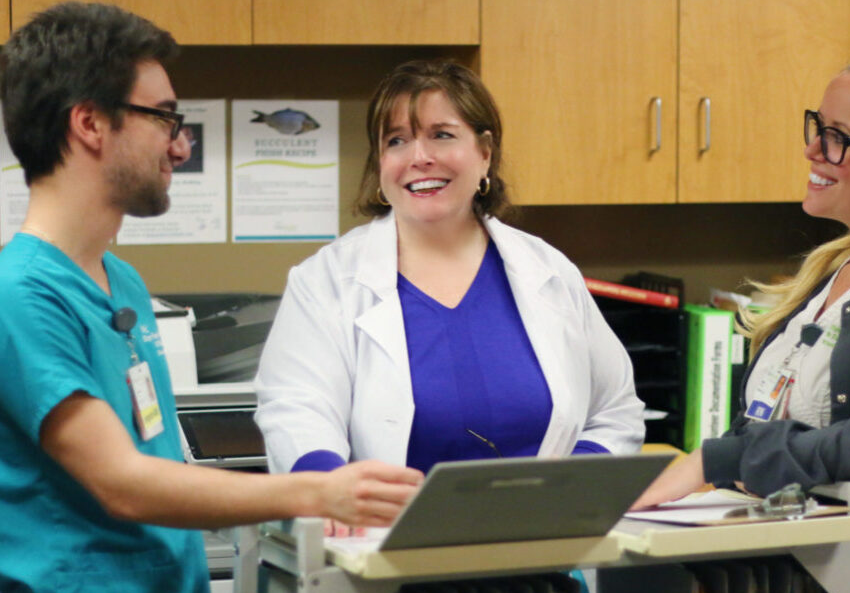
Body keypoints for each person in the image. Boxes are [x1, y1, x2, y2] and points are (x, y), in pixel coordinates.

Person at [0, 4, 422, 593]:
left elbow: (161, 459)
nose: (180, 142)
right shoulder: (20, 295)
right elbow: (124, 482)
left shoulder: (124, 284)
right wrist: (319, 490)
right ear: (88, 122)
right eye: (164, 116)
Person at [633, 52, 850, 593]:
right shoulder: (827, 276)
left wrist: (723, 459)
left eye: (838, 139)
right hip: (789, 589)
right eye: (815, 128)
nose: (812, 151)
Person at [255, 59, 645, 479]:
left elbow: (615, 410)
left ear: (485, 152)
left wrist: (570, 483)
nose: (419, 157)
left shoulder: (549, 272)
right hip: (387, 534)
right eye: (397, 141)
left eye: (441, 135)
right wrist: (328, 490)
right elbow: (297, 411)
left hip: (546, 532)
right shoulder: (327, 282)